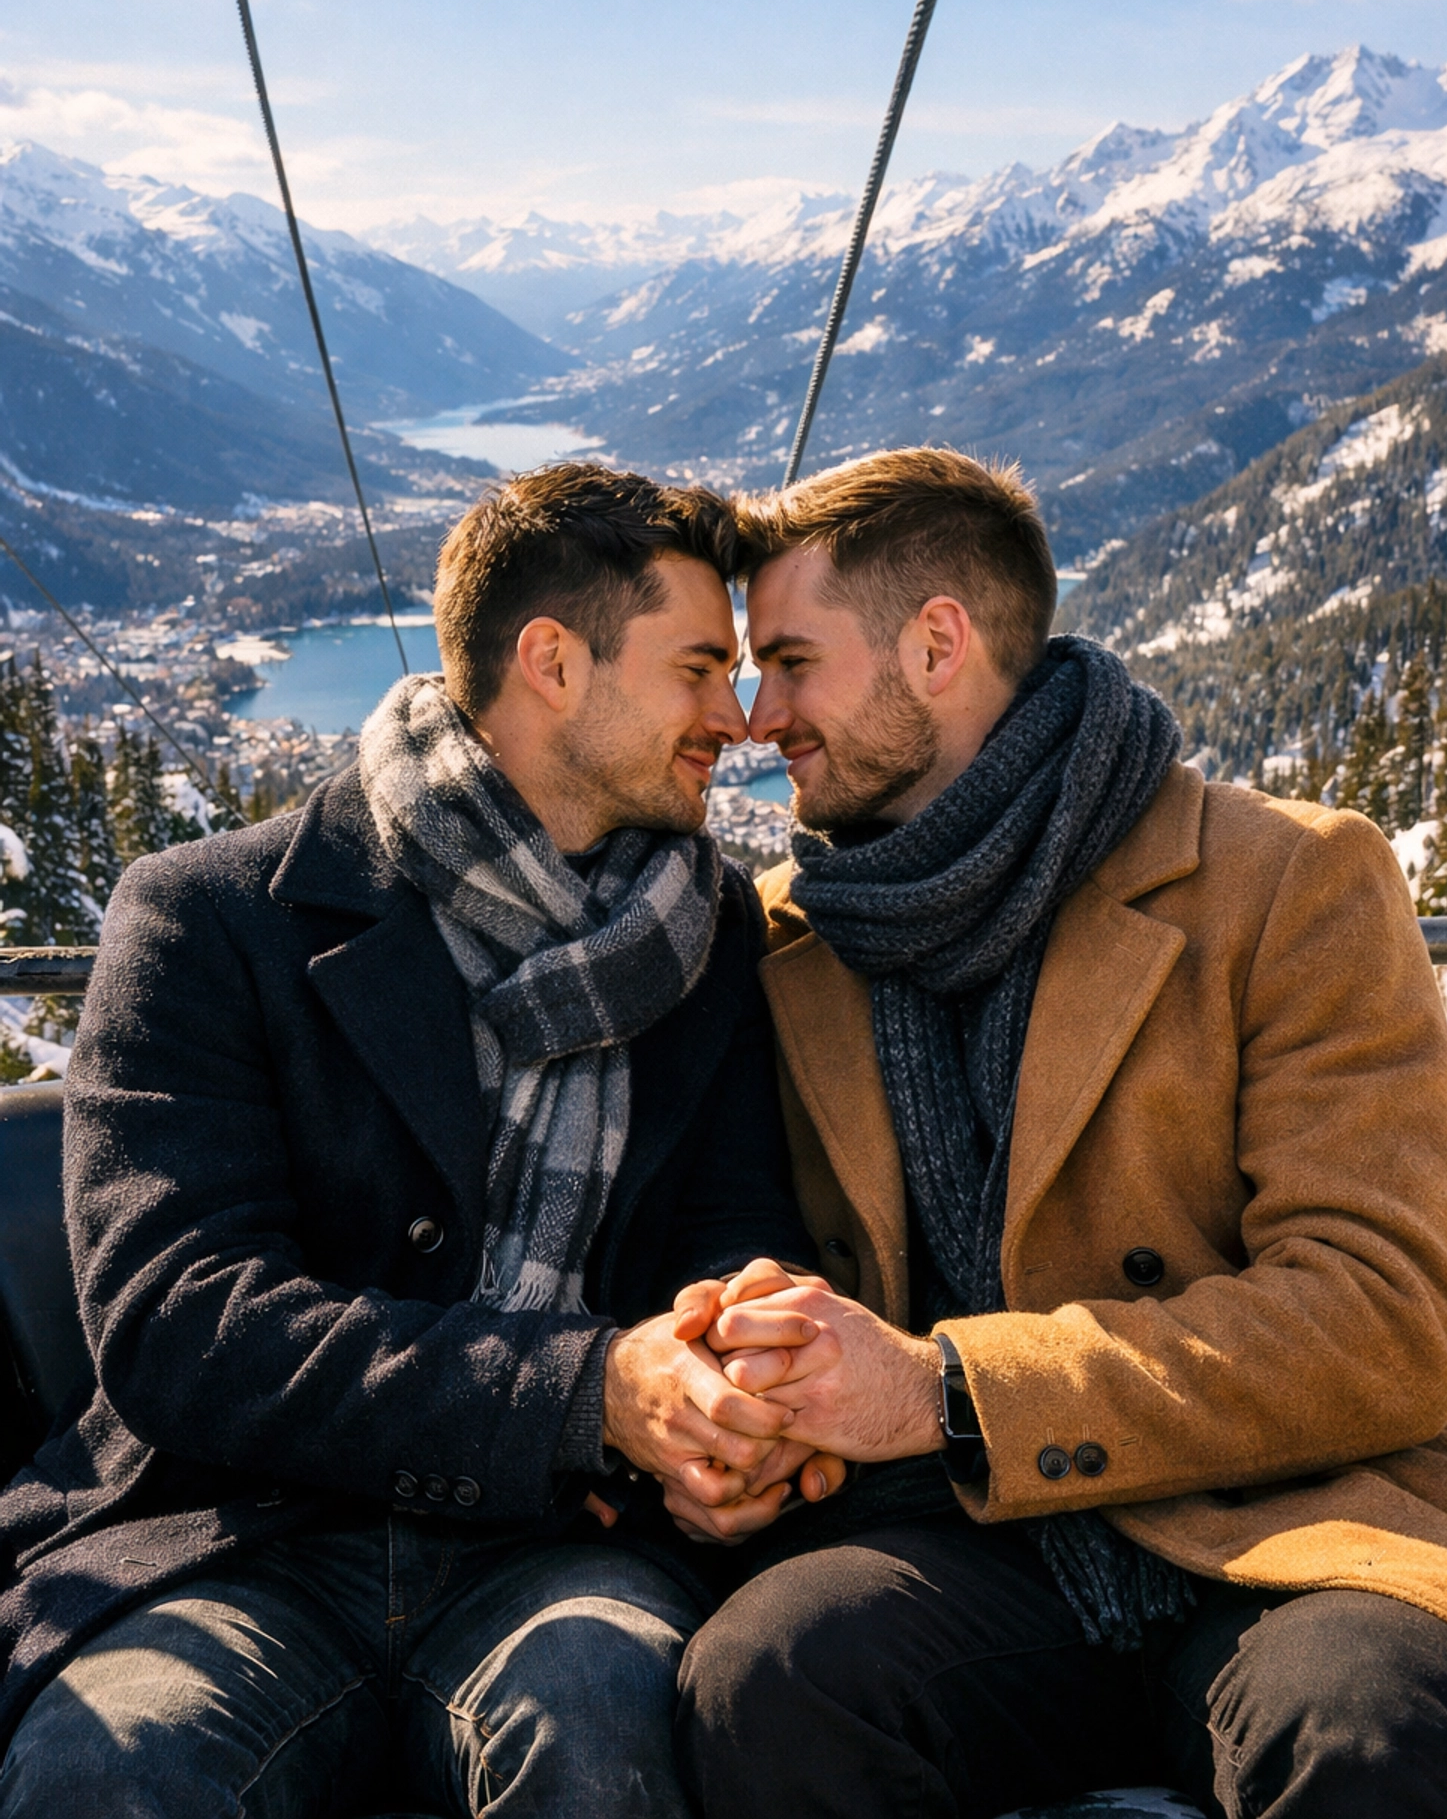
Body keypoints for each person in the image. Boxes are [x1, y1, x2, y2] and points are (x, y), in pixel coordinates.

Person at [676, 445, 1447, 1819]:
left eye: (788, 660)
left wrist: (949, 1389)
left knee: (1370, 1730)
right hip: (973, 1542)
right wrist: (749, 1399)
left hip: (1300, 1515)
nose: (755, 713)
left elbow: (1384, 1321)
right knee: (772, 1676)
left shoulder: (1282, 883)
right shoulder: (796, 939)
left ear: (939, 645)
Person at [0, 462, 833, 1819]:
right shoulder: (211, 919)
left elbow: (736, 1229)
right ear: (554, 663)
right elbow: (179, 1324)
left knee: (611, 1728)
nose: (735, 718)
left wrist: (745, 1405)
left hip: (559, 1543)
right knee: (117, 1766)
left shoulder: (705, 936)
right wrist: (586, 1392)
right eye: (698, 668)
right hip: (235, 1536)